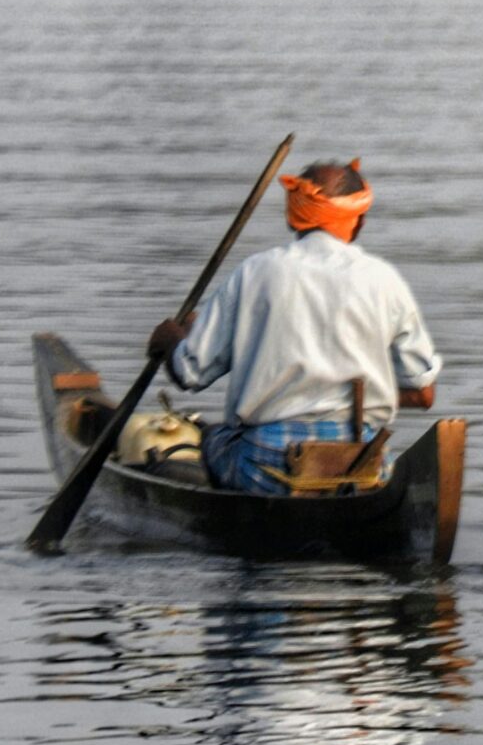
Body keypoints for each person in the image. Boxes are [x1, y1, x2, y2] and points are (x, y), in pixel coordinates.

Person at [148, 159, 441, 495]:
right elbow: (423, 392)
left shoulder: (254, 273)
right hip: (359, 464)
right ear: (357, 222)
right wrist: (339, 394)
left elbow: (191, 372)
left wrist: (173, 341)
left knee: (213, 437)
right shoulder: (385, 281)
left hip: (267, 466)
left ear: (294, 217)